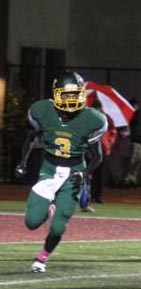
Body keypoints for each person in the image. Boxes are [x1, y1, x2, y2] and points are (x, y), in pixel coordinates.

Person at [13, 70, 107, 273]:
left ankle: (42, 258)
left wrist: (85, 173)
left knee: (58, 226)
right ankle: (49, 208)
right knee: (31, 222)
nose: (71, 100)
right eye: (66, 95)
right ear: (56, 94)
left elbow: (97, 156)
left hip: (74, 172)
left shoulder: (92, 118)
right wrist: (23, 162)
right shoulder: (43, 110)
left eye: (75, 95)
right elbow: (30, 137)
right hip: (49, 169)